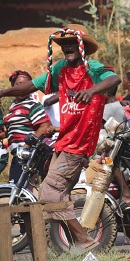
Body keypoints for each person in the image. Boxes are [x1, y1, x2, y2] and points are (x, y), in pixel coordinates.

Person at [0, 24, 121, 253]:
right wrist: (4, 92)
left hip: (79, 143)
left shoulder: (92, 68)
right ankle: (72, 246)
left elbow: (114, 79)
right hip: (63, 141)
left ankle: (83, 239)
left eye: (71, 42)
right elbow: (31, 86)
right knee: (53, 196)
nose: (67, 47)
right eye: (63, 44)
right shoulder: (60, 70)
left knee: (48, 194)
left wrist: (92, 91)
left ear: (81, 45)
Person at [2, 71, 52, 183]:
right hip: (18, 156)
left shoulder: (32, 104)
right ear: (12, 87)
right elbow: (12, 130)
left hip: (28, 155)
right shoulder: (13, 107)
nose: (22, 88)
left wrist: (27, 145)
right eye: (19, 85)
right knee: (15, 188)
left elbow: (44, 126)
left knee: (20, 191)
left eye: (26, 85)